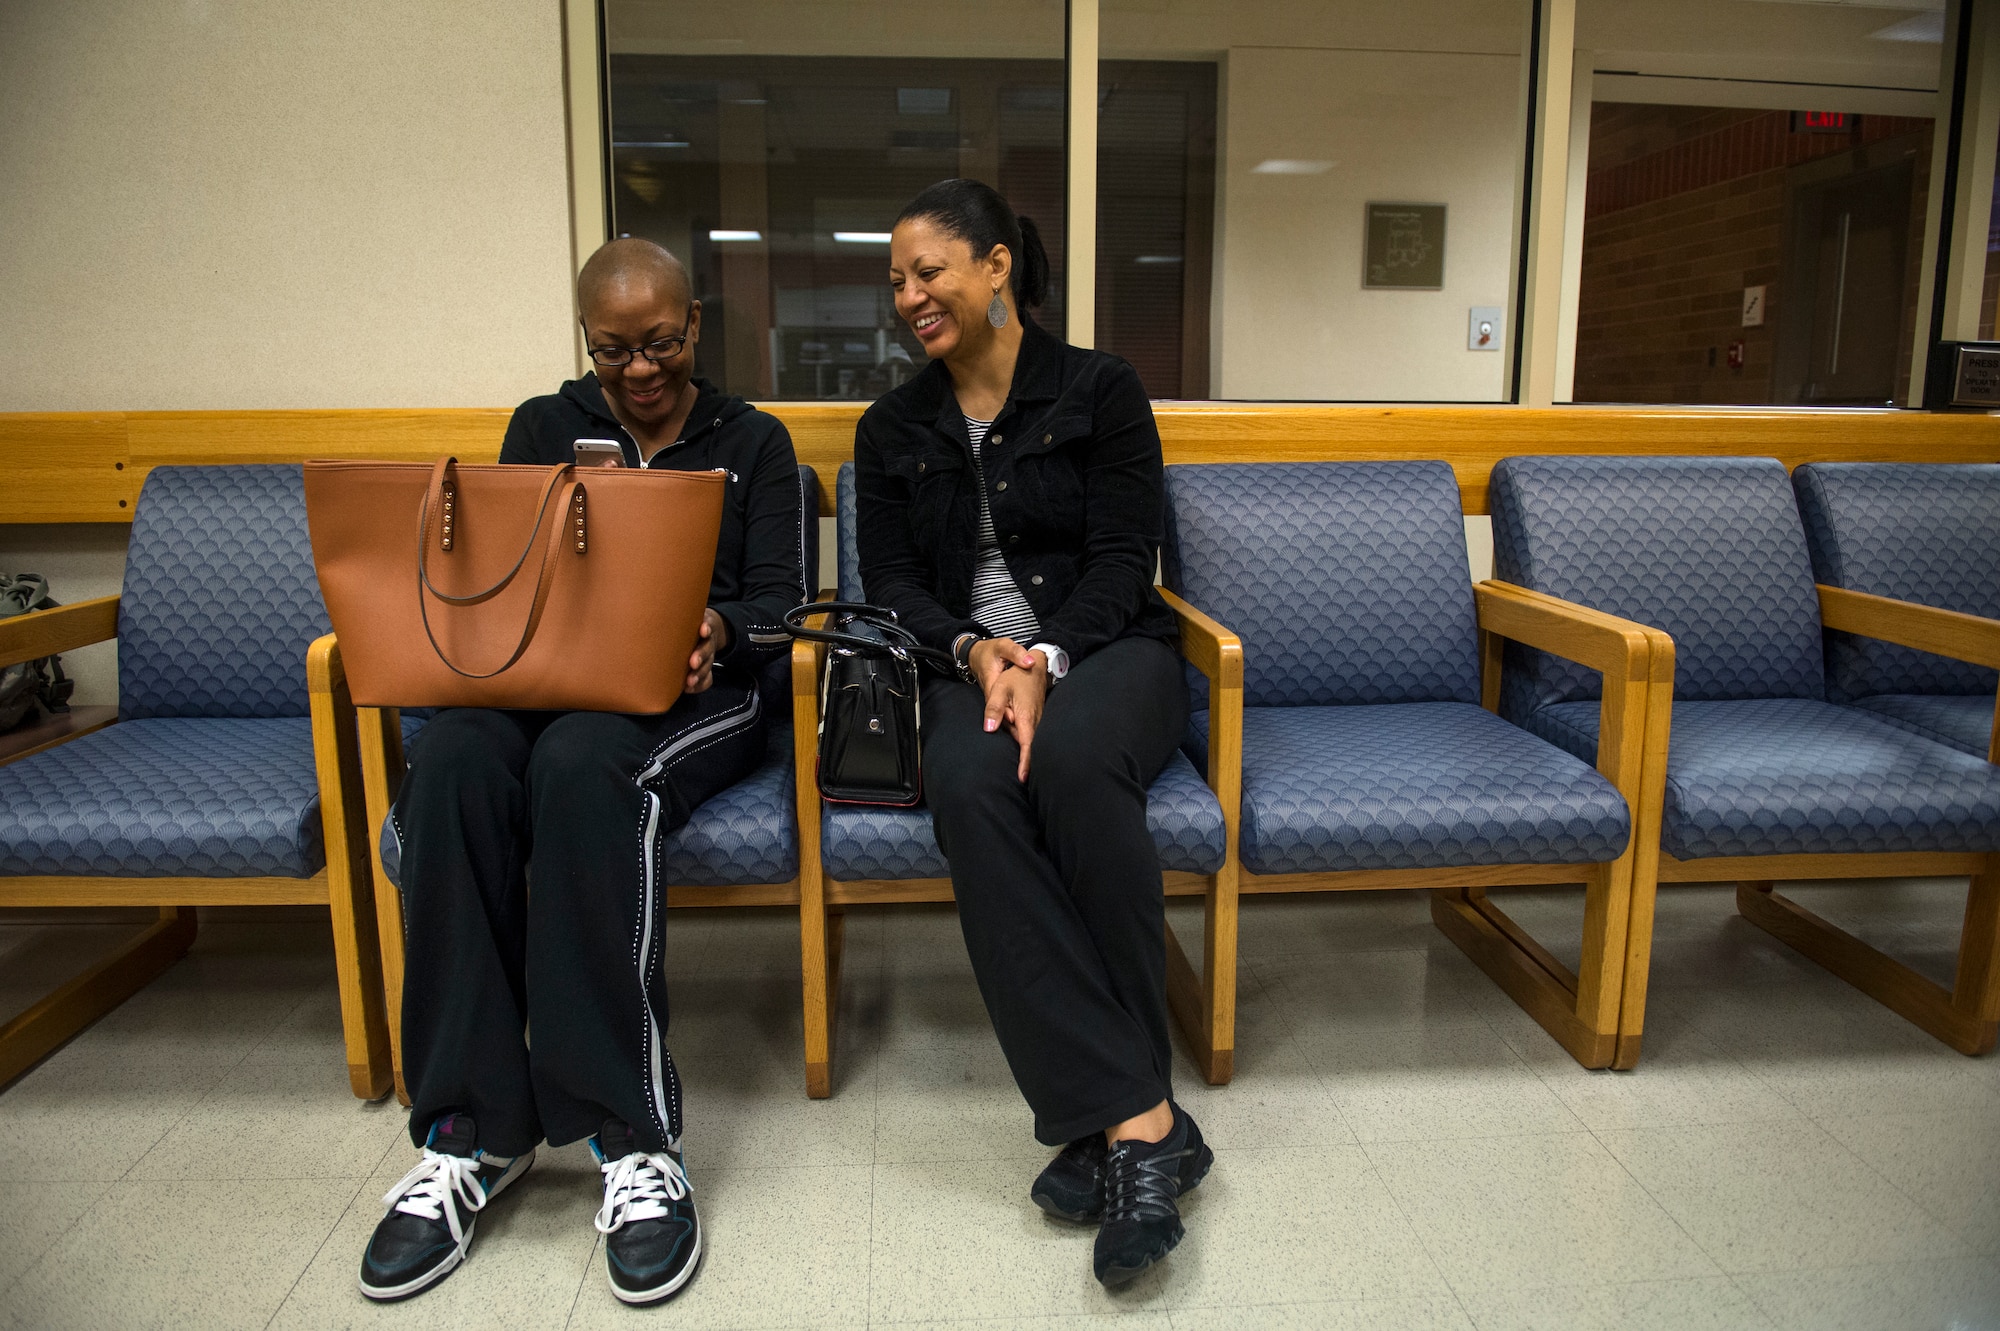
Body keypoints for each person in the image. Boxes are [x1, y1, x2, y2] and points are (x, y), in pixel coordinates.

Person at [359, 238, 805, 1306]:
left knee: (580, 770)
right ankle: (471, 1130)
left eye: (656, 343)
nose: (638, 369)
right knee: (455, 758)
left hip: (697, 695)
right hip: (548, 680)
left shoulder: (754, 439)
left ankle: (629, 1137)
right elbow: (504, 575)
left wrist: (719, 626)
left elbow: (784, 605)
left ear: (693, 326)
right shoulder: (542, 425)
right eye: (612, 351)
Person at [853, 179, 1210, 1287]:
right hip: (960, 667)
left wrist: (1045, 657)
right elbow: (895, 584)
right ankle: (1140, 1118)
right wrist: (978, 656)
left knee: (1068, 759)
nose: (910, 294)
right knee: (966, 784)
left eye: (931, 270)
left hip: (1108, 653)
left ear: (997, 266)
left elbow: (1121, 559)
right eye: (898, 279)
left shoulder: (1099, 389)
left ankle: (1108, 1121)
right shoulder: (891, 426)